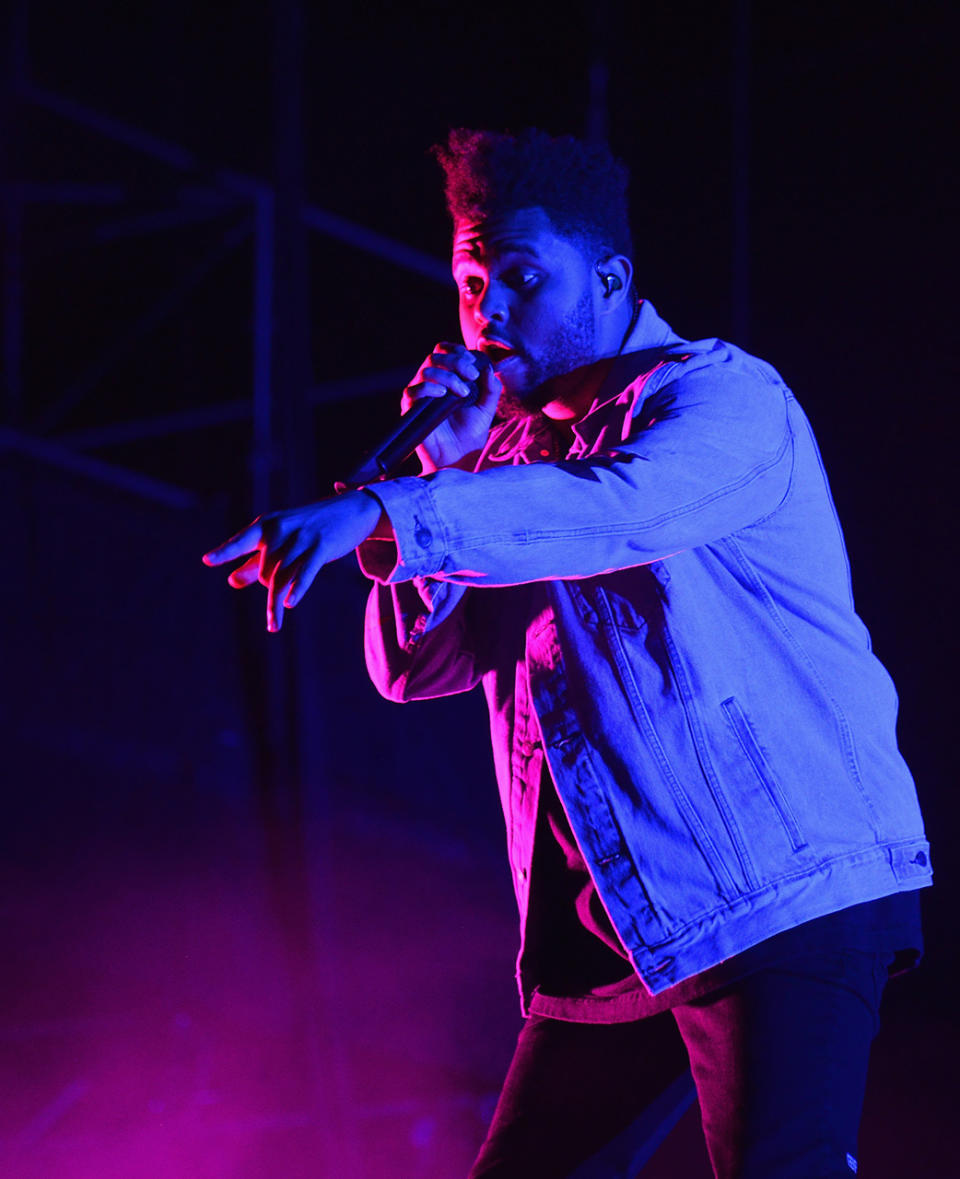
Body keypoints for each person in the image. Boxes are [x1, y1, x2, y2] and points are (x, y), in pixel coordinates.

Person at [204, 128, 932, 1178]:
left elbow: (611, 512)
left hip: (784, 880)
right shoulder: (510, 460)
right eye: (469, 281)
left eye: (521, 277)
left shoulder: (722, 398)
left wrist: (387, 509)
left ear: (611, 277)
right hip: (624, 917)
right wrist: (437, 462)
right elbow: (418, 663)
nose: (487, 310)